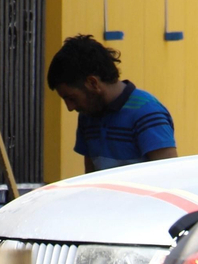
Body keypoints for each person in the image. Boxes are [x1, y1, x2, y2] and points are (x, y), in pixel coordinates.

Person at [47, 34, 178, 171]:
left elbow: (168, 175)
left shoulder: (147, 113)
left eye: (72, 98)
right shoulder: (87, 116)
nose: (70, 107)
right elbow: (91, 176)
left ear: (93, 83)